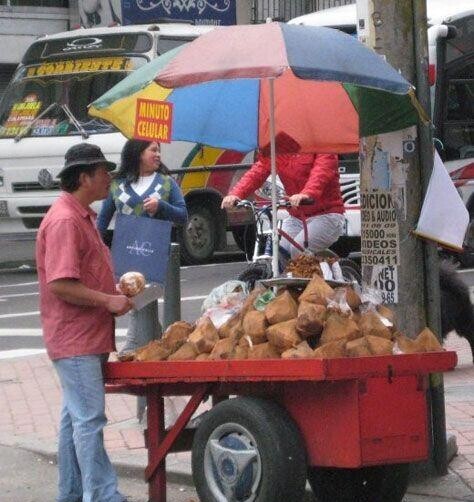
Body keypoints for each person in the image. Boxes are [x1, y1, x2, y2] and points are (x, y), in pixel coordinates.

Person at [36, 143, 133, 502]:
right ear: (84, 177)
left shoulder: (82, 215)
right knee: (89, 420)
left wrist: (115, 289)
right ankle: (103, 494)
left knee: (74, 419)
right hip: (75, 339)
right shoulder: (64, 220)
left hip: (86, 336)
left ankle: (72, 493)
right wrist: (108, 299)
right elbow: (60, 283)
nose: (109, 178)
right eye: (103, 171)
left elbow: (84, 274)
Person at [97, 139, 187, 355]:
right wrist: (96, 246)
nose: (158, 155)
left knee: (145, 294)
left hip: (156, 253)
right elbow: (102, 219)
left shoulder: (166, 183)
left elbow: (183, 215)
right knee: (133, 295)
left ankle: (138, 341)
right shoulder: (118, 185)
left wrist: (162, 207)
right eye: (153, 150)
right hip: (127, 252)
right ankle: (148, 339)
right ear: (137, 153)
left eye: (159, 151)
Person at [222, 152, 346, 258]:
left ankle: (325, 281)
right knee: (278, 253)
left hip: (327, 215)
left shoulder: (320, 144)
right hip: (297, 217)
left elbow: (321, 173)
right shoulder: (282, 149)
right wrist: (236, 194)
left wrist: (307, 193)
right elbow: (259, 170)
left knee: (298, 249)